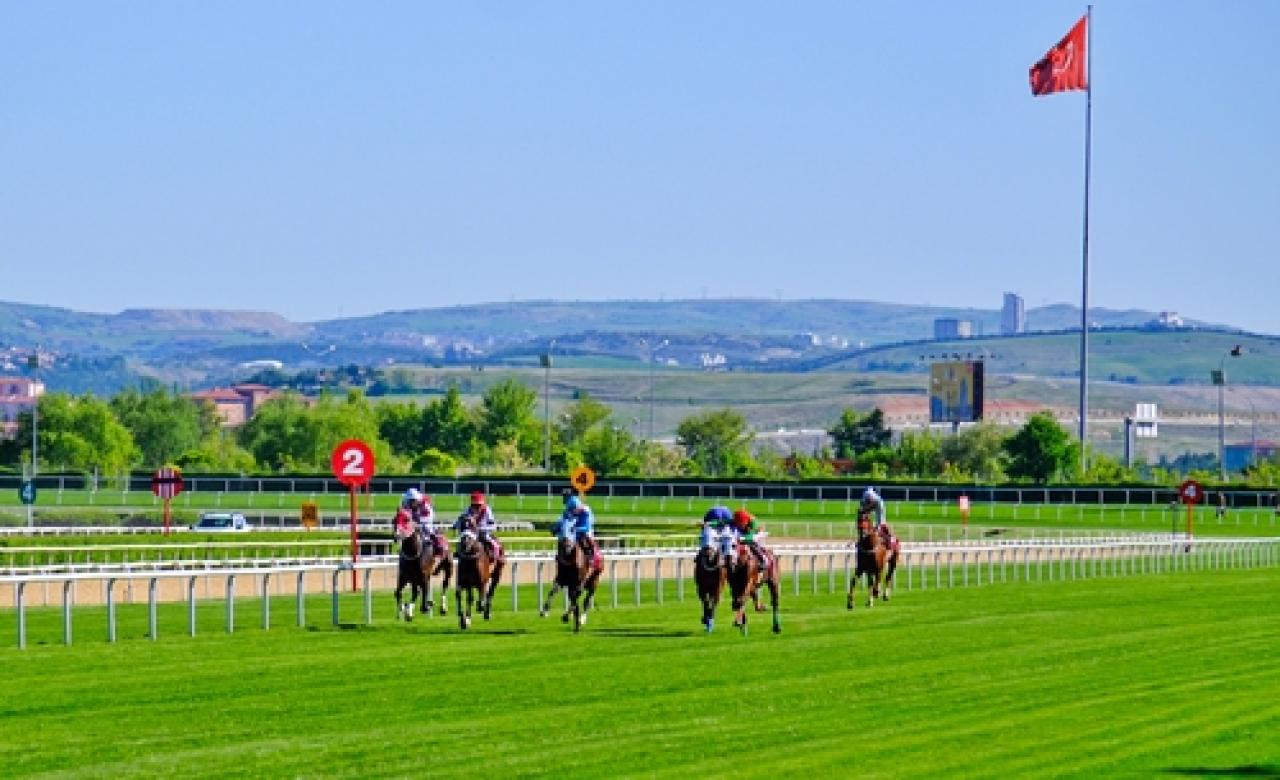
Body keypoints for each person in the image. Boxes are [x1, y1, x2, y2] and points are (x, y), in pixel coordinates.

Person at [455, 490, 500, 560]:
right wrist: (456, 525)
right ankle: (459, 554)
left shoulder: (487, 510)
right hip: (471, 533)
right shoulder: (468, 509)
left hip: (483, 532)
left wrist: (480, 528)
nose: (476, 507)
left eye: (478, 505)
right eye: (474, 505)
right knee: (462, 539)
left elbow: (493, 526)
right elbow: (460, 519)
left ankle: (496, 558)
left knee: (494, 544)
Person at [731, 508, 769, 573]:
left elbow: (750, 536)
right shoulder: (735, 520)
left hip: (757, 534)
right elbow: (722, 522)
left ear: (746, 521)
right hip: (745, 534)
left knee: (752, 544)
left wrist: (740, 539)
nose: (739, 526)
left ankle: (764, 561)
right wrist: (709, 523)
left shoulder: (752, 522)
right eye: (737, 524)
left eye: (741, 524)